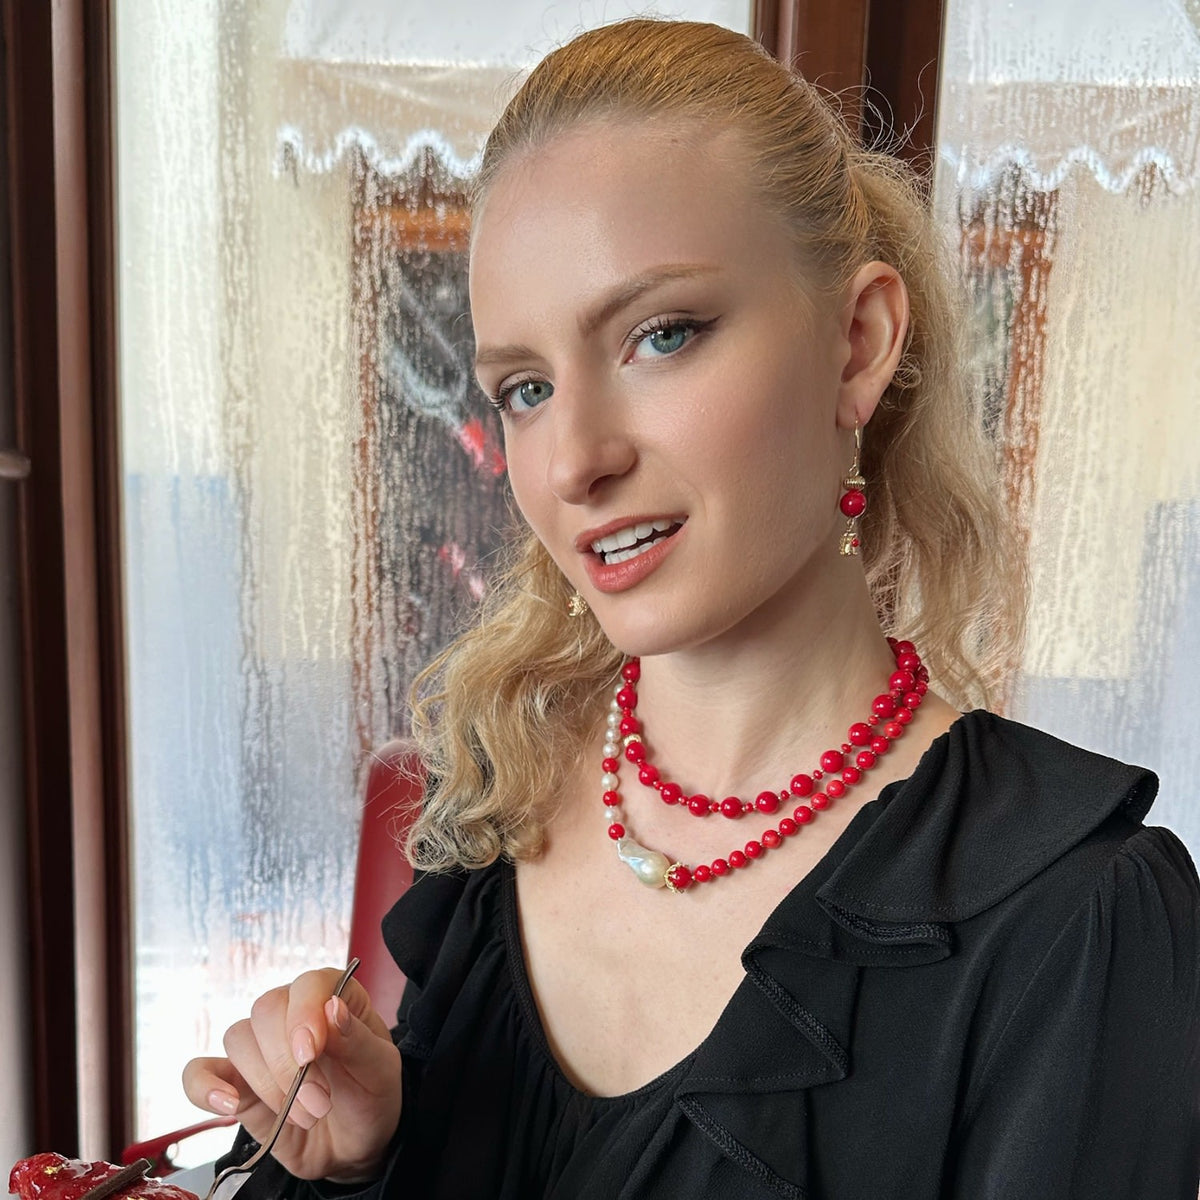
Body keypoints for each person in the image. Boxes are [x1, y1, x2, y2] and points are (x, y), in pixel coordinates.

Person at [182, 18, 1200, 1198]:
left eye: (661, 336)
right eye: (525, 387)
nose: (576, 460)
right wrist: (361, 1161)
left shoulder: (1072, 919)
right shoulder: (499, 808)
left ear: (857, 344)